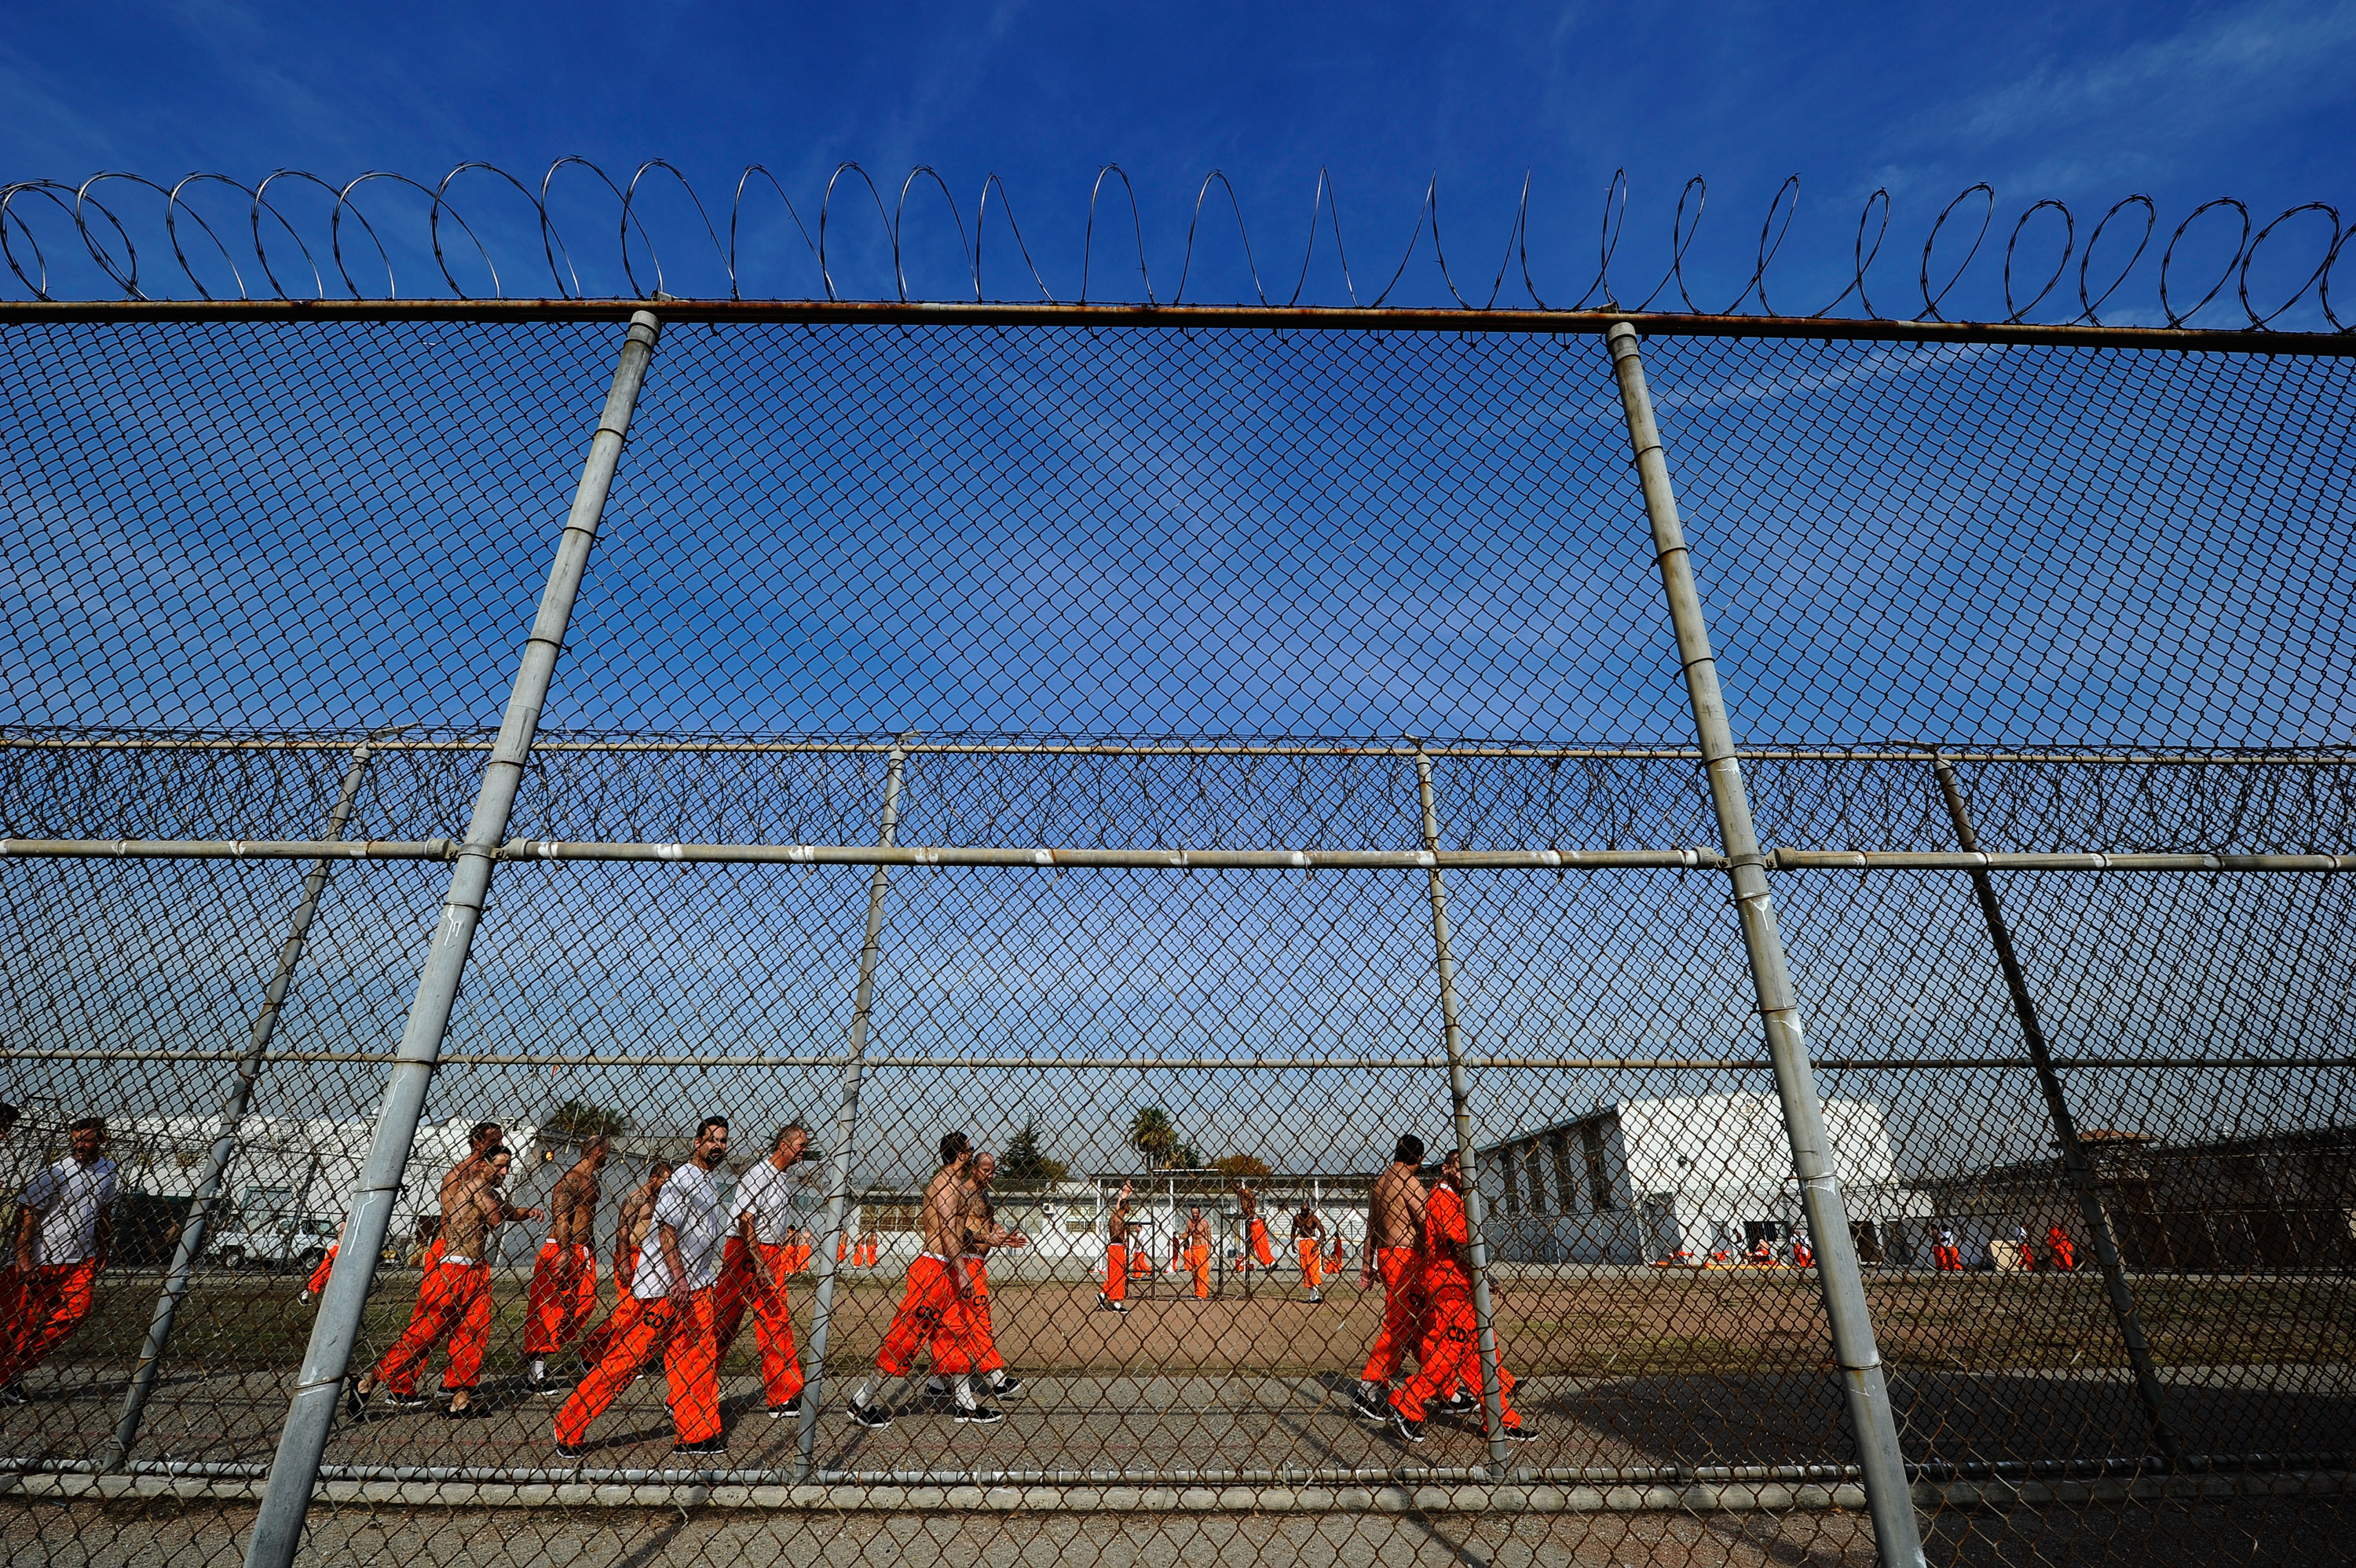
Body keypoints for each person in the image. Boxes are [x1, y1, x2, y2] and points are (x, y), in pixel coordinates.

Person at [556, 1117, 733, 1459]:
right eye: (711, 1139)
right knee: (627, 1361)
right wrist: (678, 1277)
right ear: (696, 1143)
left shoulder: (709, 1184)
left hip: (694, 1290)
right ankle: (568, 1424)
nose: (717, 1146)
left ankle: (696, 1434)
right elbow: (667, 1231)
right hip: (665, 1288)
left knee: (696, 1360)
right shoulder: (681, 1181)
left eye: (722, 1141)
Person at [352, 1143, 540, 1417]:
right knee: (425, 1334)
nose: (504, 1171)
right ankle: (369, 1382)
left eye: (507, 1166)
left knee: (474, 1333)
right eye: (499, 1166)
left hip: (476, 1270)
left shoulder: (489, 1192)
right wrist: (495, 1200)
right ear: (483, 1164)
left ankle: (460, 1399)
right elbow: (498, 1218)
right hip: (451, 1271)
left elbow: (510, 1212)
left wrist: (529, 1212)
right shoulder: (471, 1188)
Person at [848, 1131, 998, 1427]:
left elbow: (960, 1232)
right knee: (906, 1337)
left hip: (947, 1270)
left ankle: (965, 1404)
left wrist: (987, 1238)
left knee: (955, 1334)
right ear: (962, 1154)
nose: (972, 1153)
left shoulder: (955, 1186)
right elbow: (946, 1233)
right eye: (970, 1150)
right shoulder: (945, 1186)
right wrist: (963, 1268)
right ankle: (861, 1401)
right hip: (933, 1271)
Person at [1388, 1150, 1533, 1444]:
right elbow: (1458, 1246)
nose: (1466, 1175)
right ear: (1445, 1169)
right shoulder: (1442, 1198)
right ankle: (1406, 1401)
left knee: (1480, 1358)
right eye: (1459, 1168)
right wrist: (1486, 1276)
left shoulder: (1456, 1199)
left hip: (1461, 1288)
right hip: (1448, 1289)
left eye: (1470, 1170)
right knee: (1449, 1356)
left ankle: (1499, 1418)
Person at [0, 1117, 116, 1404]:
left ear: (101, 1140)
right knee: (17, 1324)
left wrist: (103, 1246)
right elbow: (27, 1215)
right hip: (40, 1259)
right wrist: (25, 1257)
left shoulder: (108, 1170)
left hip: (81, 1259)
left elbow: (103, 1211)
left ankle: (12, 1372)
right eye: (75, 1139)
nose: (79, 1145)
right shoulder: (55, 1173)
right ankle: (6, 1378)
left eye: (87, 1139)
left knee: (75, 1315)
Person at [713, 1124, 811, 1420]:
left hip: (768, 1250)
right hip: (746, 1249)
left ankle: (783, 1393)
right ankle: (692, 1385)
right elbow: (745, 1220)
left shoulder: (782, 1178)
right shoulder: (759, 1175)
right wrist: (759, 1261)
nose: (804, 1150)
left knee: (775, 1319)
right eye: (800, 1144)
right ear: (783, 1145)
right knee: (724, 1321)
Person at [927, 1150, 1028, 1403]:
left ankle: (938, 1381)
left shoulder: (985, 1196)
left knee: (958, 1322)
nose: (990, 1175)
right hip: (966, 1263)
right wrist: (986, 1237)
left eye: (993, 1170)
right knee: (977, 1319)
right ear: (973, 1168)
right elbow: (956, 1232)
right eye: (985, 1169)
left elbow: (988, 1225)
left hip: (978, 1264)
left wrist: (1001, 1234)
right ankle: (996, 1378)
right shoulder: (962, 1192)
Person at [525, 1135, 613, 1393]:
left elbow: (588, 1220)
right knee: (549, 1311)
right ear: (597, 1153)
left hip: (582, 1251)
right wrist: (563, 1252)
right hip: (562, 1249)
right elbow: (562, 1216)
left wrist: (588, 1250)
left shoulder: (593, 1180)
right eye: (606, 1152)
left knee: (585, 1303)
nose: (608, 1156)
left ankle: (560, 1353)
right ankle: (535, 1373)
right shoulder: (571, 1180)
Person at [1352, 1135, 1431, 1423]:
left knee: (1418, 1322)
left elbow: (1371, 1227)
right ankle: (1368, 1388)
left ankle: (1445, 1388)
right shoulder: (1410, 1183)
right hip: (1406, 1259)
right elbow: (1427, 1223)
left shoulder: (1381, 1183)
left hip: (1385, 1256)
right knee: (1400, 1323)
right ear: (1419, 1158)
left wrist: (1366, 1265)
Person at [576, 1159, 671, 1371]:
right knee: (627, 1311)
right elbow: (623, 1231)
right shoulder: (636, 1198)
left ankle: (629, 1356)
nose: (668, 1186)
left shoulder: (661, 1199)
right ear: (653, 1178)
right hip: (631, 1256)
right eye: (665, 1181)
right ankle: (590, 1352)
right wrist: (625, 1262)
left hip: (651, 1260)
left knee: (645, 1312)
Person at [1099, 1182, 1134, 1312]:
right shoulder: (1120, 1220)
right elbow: (1118, 1234)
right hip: (1118, 1248)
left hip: (1112, 1248)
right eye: (1129, 1206)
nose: (1130, 1209)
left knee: (1114, 1275)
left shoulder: (1113, 1216)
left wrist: (1126, 1192)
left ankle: (1105, 1295)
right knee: (1120, 1276)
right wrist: (1125, 1239)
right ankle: (1115, 1301)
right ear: (1126, 1207)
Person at [1291, 1203, 1326, 1303]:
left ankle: (1316, 1296)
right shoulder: (1297, 1218)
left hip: (1312, 1242)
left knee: (1313, 1269)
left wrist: (1317, 1245)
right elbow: (1293, 1231)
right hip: (1302, 1243)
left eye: (1306, 1212)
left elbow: (1323, 1233)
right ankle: (1312, 1297)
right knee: (1305, 1269)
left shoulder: (1313, 1218)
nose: (1304, 1213)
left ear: (1309, 1211)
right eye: (1302, 1211)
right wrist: (1292, 1244)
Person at [300, 1221, 344, 1303]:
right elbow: (342, 1228)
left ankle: (308, 1291)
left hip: (340, 1250)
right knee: (326, 1272)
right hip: (338, 1250)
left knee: (327, 1273)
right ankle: (307, 1291)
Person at [1238, 1184, 1273, 1274]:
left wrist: (1253, 1211)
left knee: (1260, 1244)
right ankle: (1248, 1264)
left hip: (1255, 1222)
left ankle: (1270, 1262)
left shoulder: (1245, 1192)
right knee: (1251, 1246)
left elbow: (1253, 1199)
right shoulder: (1241, 1195)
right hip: (1250, 1223)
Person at [1184, 1207, 1213, 1299]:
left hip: (1202, 1248)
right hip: (1193, 1248)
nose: (1194, 1214)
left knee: (1202, 1272)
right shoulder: (1189, 1223)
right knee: (1194, 1272)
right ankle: (1197, 1292)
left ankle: (1202, 1294)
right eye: (1193, 1212)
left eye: (1196, 1212)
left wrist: (1209, 1249)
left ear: (1199, 1213)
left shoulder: (1204, 1223)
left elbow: (1209, 1236)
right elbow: (1186, 1234)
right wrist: (1181, 1237)